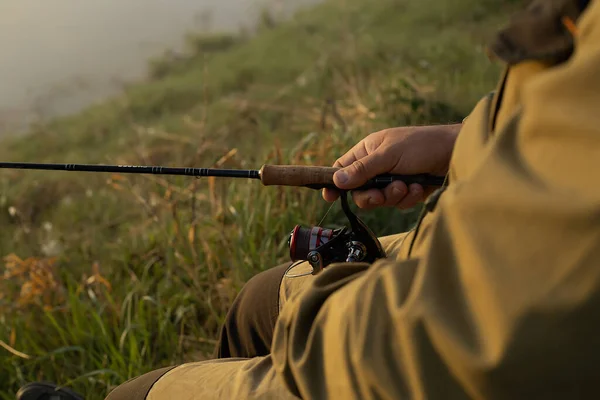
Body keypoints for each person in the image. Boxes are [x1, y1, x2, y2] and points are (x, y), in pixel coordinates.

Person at [18, 0, 599, 398]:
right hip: (495, 251)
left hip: (480, 333)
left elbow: (463, 348)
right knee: (258, 301)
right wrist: (460, 141)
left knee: (134, 395)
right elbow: (556, 130)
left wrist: (323, 304)